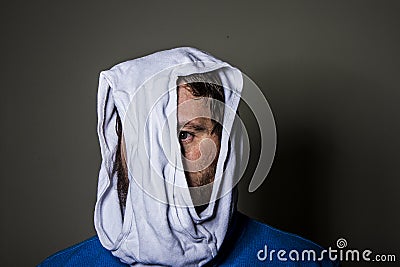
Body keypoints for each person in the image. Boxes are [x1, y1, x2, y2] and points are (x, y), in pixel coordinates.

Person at [38, 47, 339, 266]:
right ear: (117, 147)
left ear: (223, 146)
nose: (167, 159)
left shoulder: (303, 262)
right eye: (149, 138)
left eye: (186, 134)